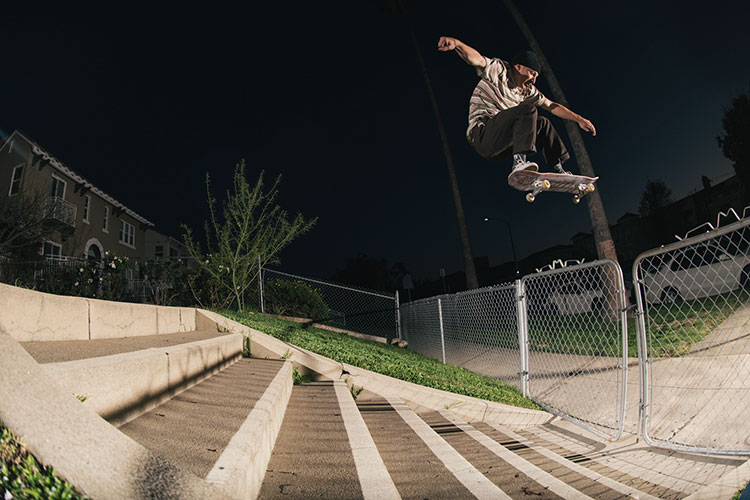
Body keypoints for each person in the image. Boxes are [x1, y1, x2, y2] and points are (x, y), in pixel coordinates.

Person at [437, 36, 596, 175]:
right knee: (527, 110)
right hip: (482, 133)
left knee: (542, 123)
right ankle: (519, 162)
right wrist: (457, 44)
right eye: (533, 73)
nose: (534, 80)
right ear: (519, 67)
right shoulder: (499, 70)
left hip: (501, 143)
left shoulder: (528, 92)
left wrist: (579, 119)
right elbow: (476, 59)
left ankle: (556, 167)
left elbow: (551, 105)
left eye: (536, 76)